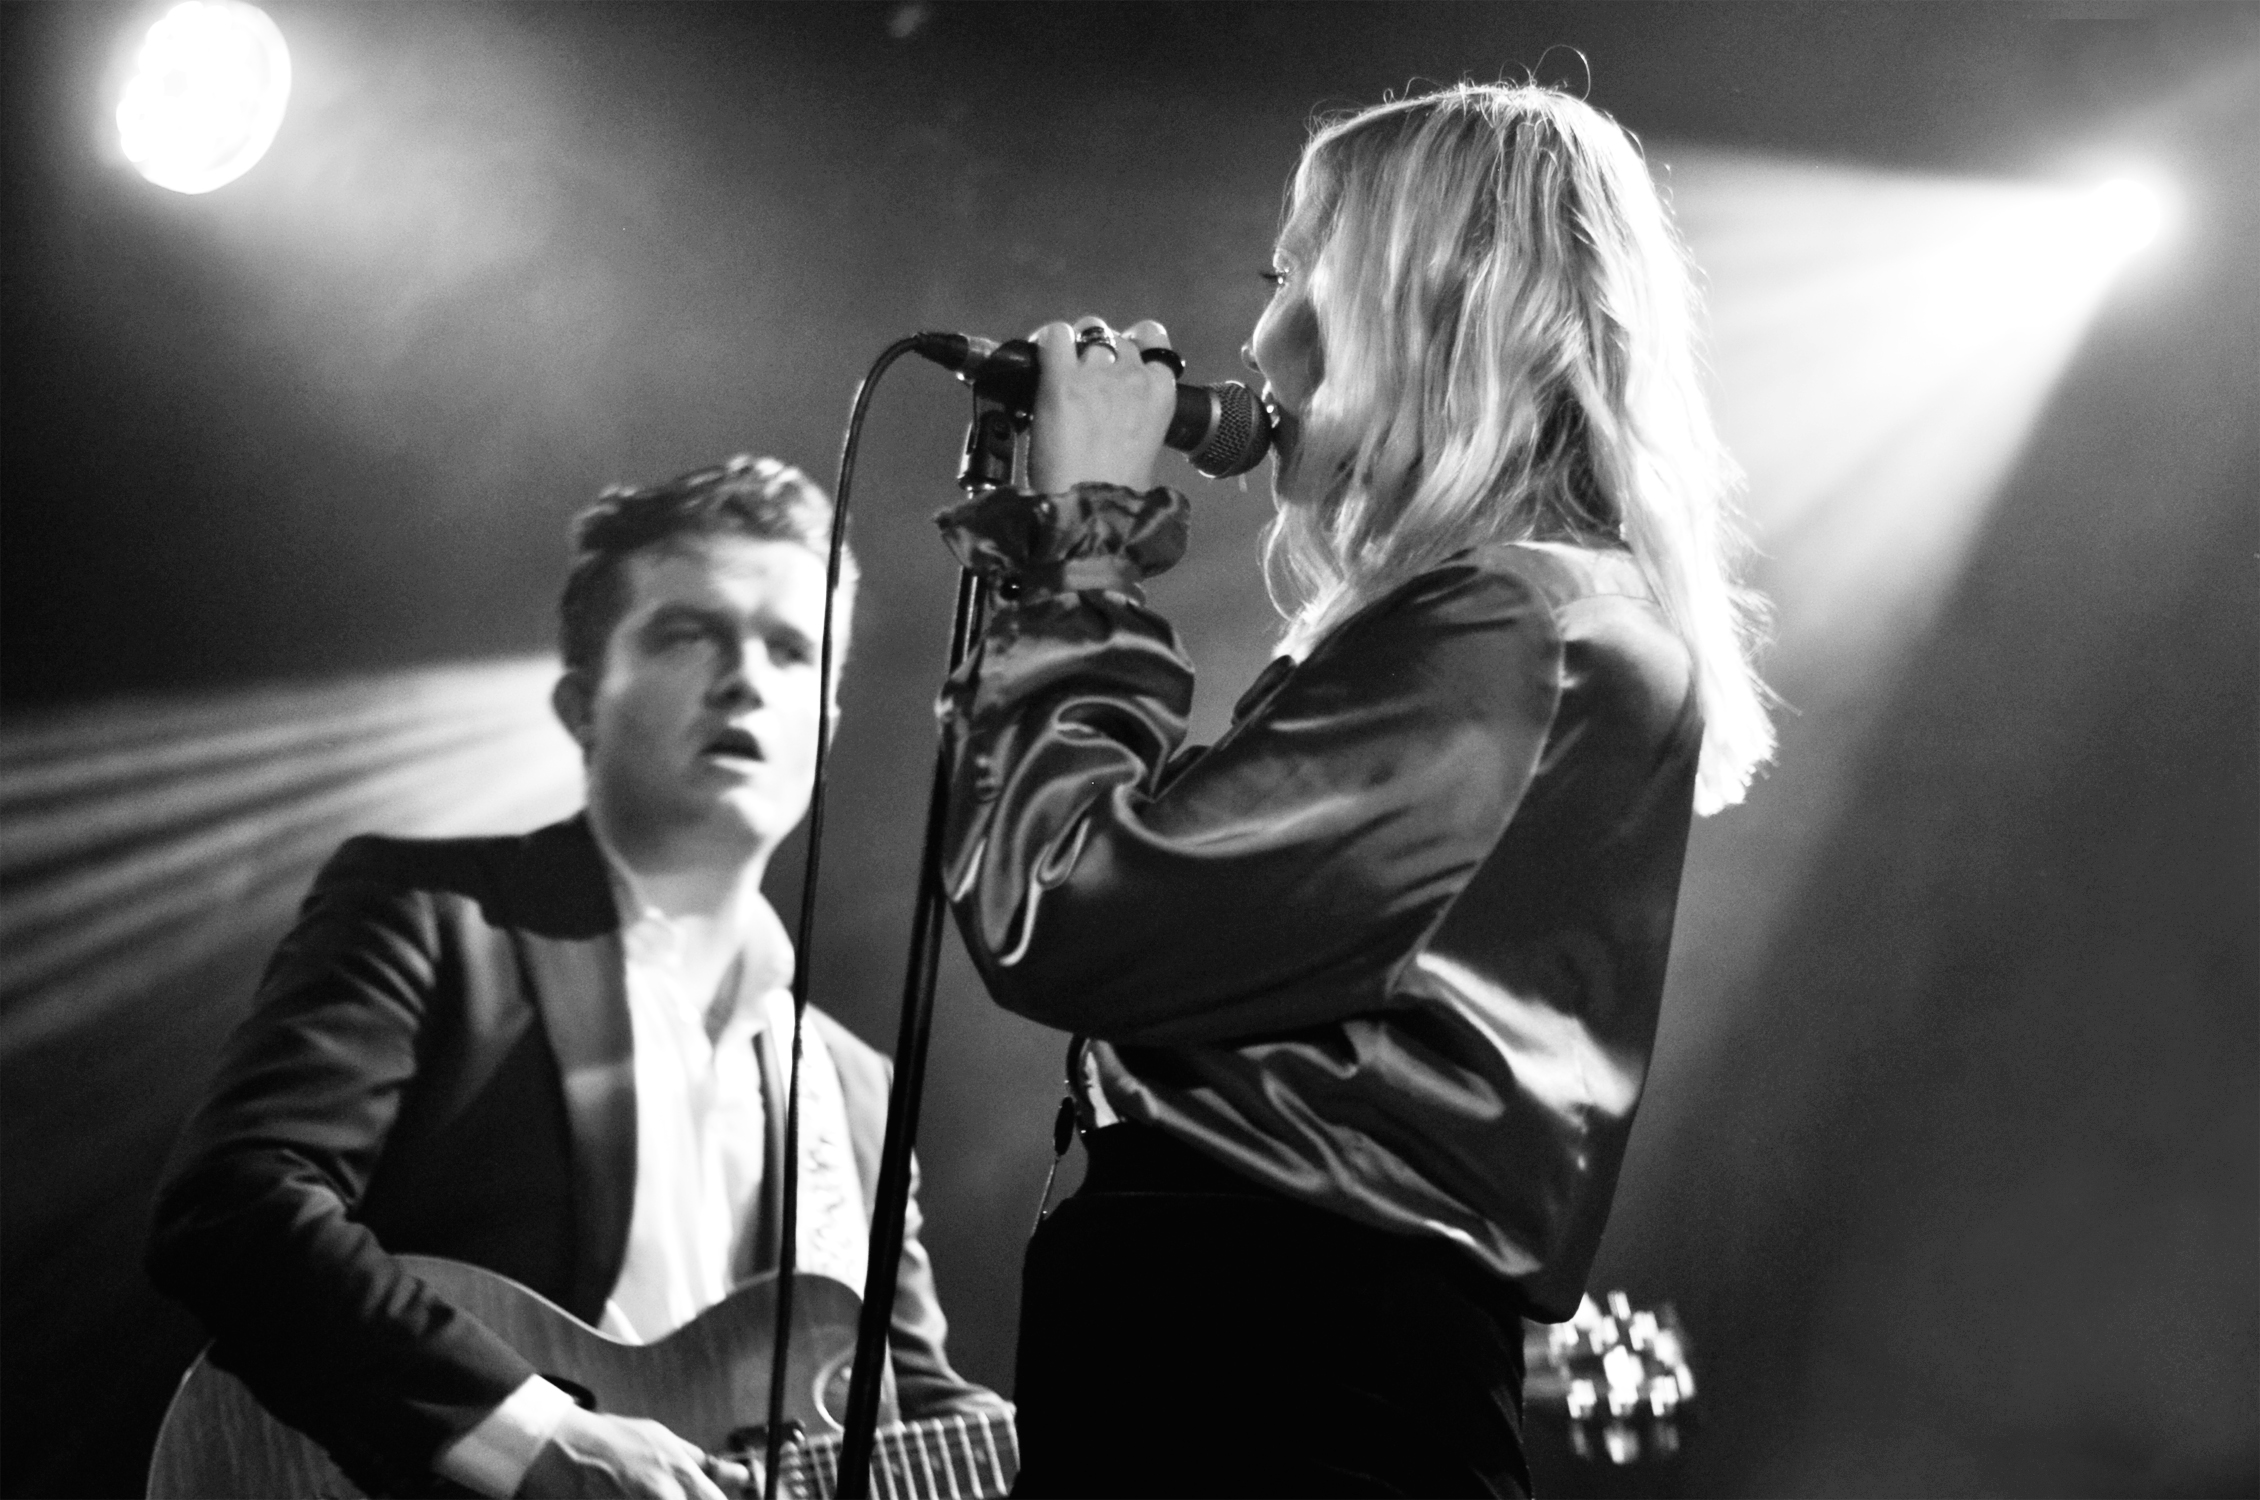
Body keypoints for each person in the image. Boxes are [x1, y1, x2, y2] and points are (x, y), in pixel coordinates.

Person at [930, 82, 1774, 1498]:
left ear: (1426, 297)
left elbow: (1066, 903)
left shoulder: (1512, 631)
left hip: (1278, 1386)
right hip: (1263, 1361)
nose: (1261, 338)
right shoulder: (1510, 623)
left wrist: (1086, 541)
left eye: (1295, 276)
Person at [149, 455, 1005, 1500]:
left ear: (823, 730)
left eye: (791, 651)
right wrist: (536, 1436)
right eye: (687, 633)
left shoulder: (855, 1092)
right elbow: (232, 1209)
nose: (746, 679)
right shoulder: (435, 919)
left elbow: (912, 1411)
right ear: (578, 702)